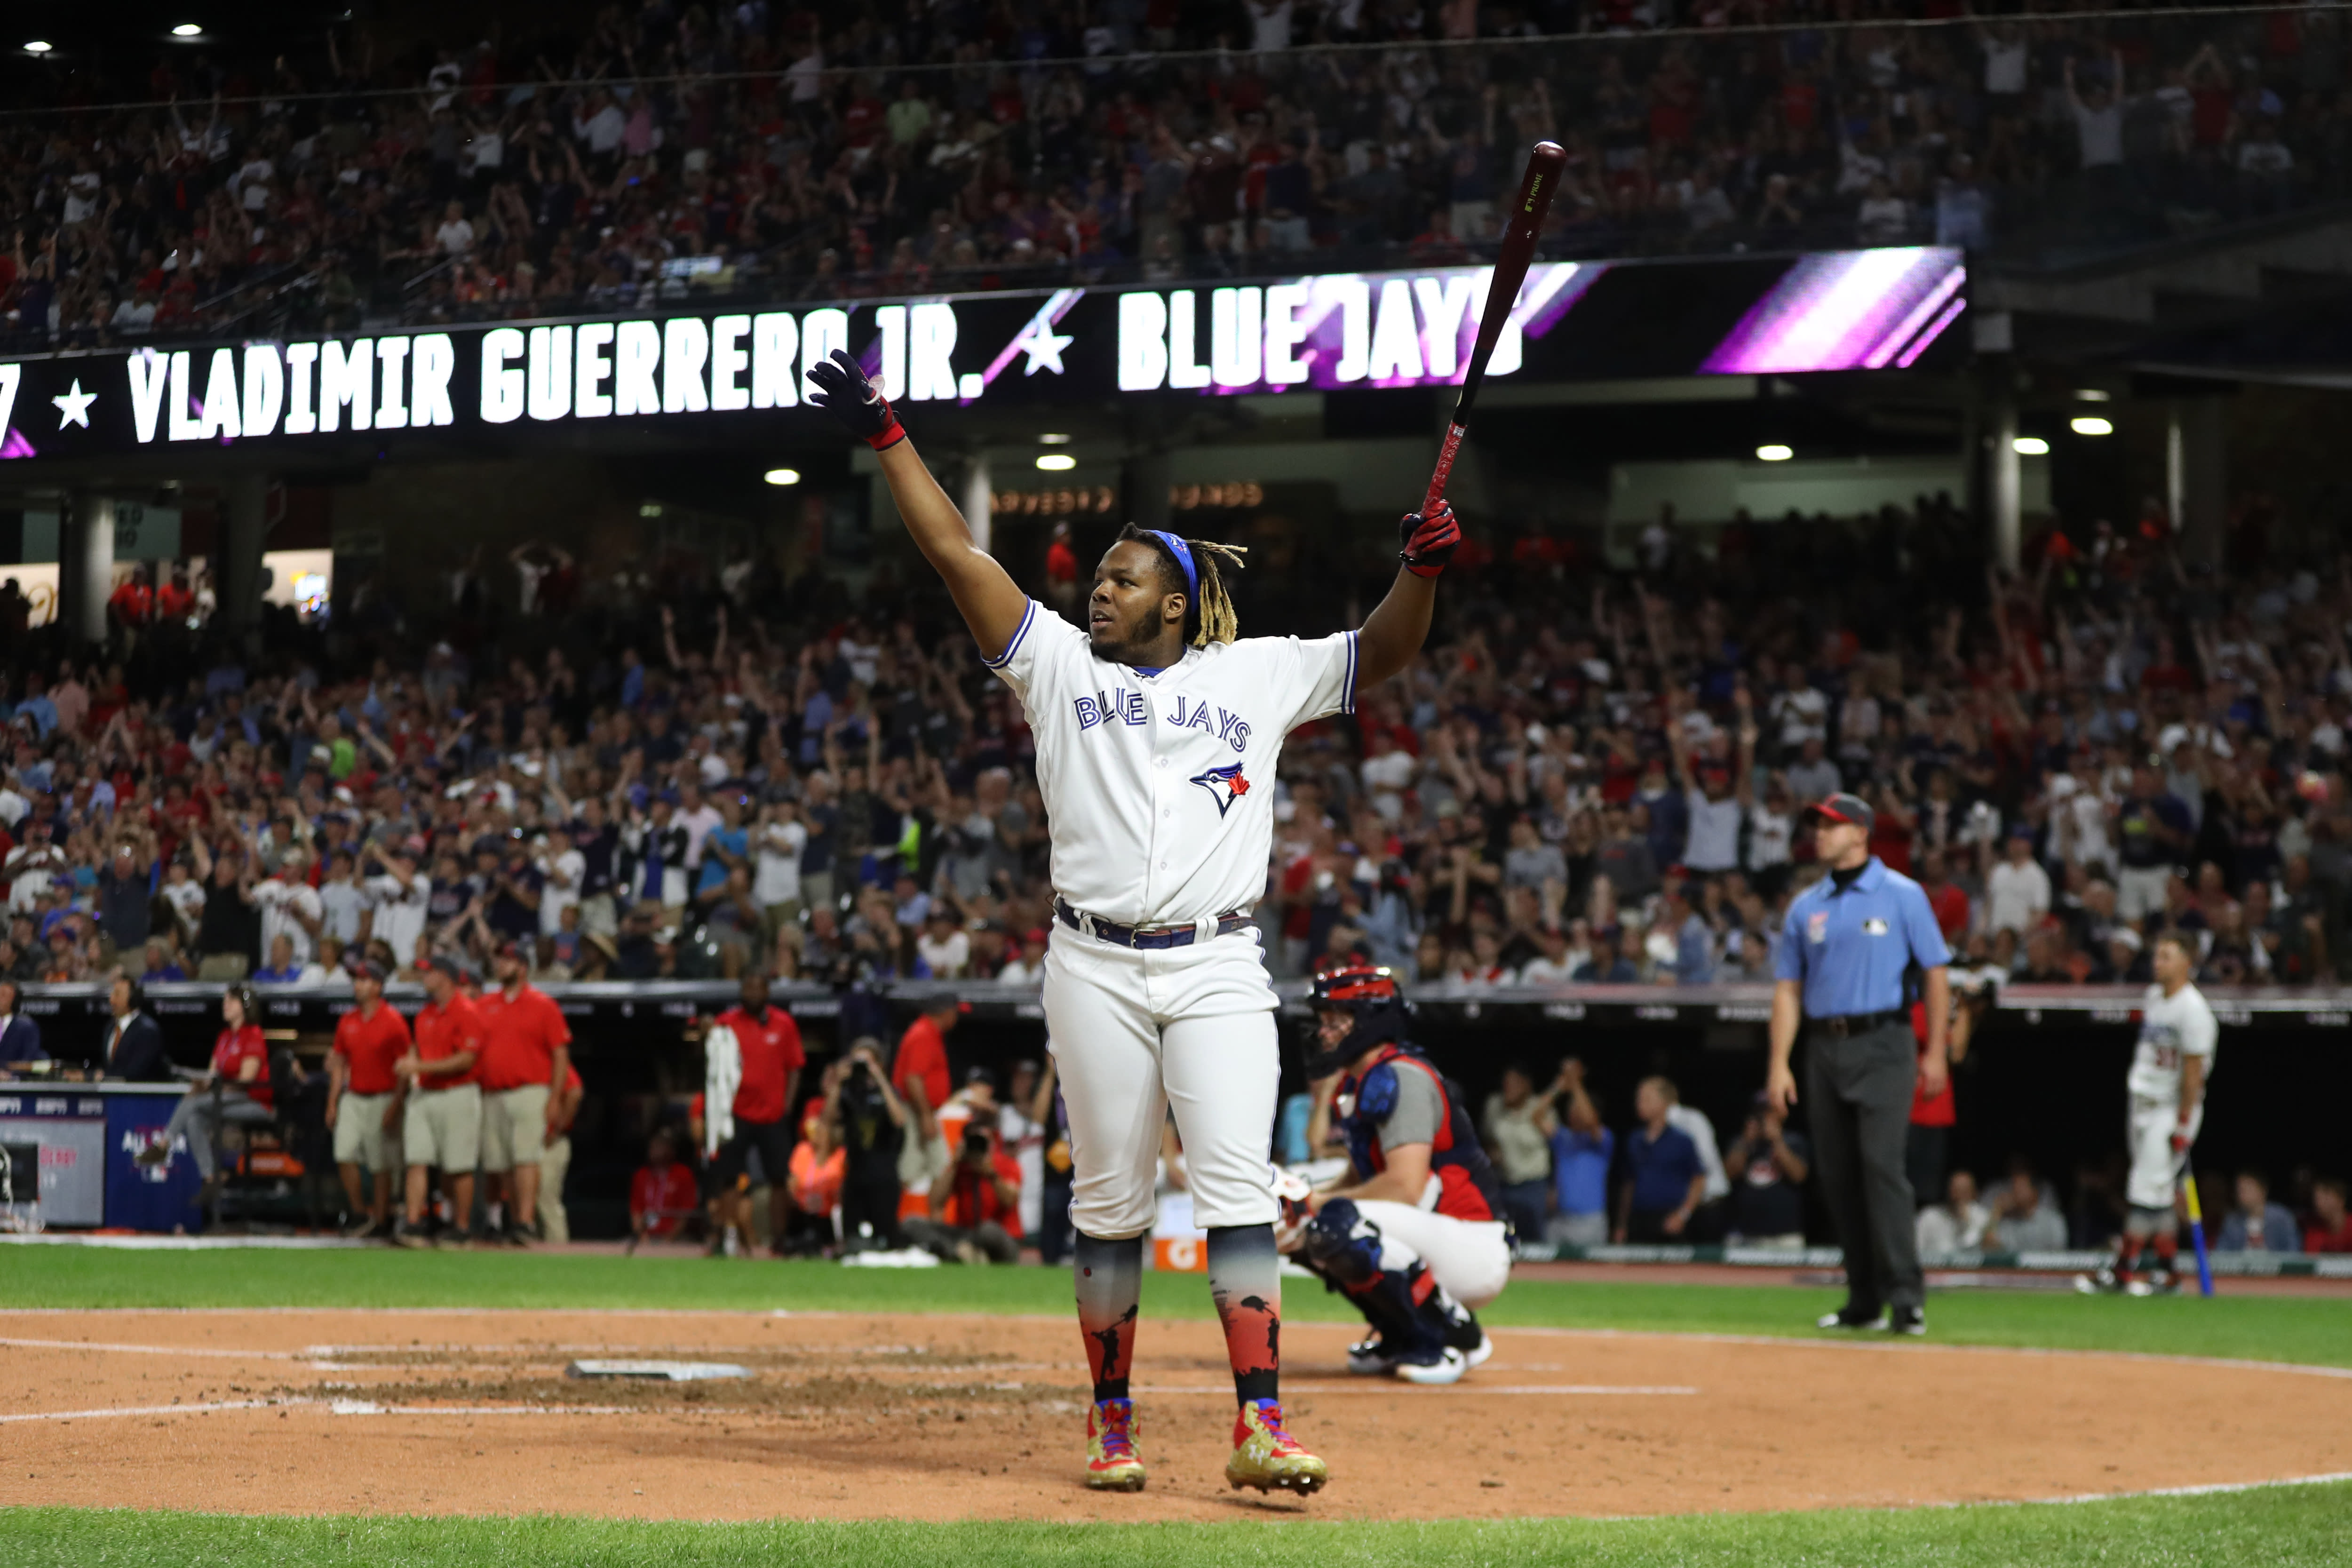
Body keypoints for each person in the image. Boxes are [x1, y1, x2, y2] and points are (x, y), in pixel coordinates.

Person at [810, 339, 1448, 1496]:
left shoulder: (1258, 669)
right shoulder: (1055, 662)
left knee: (1237, 1190)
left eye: (1119, 575)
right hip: (1091, 963)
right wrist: (889, 437)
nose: (1095, 587)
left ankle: (1260, 1424)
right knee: (1107, 1201)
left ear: (1180, 597)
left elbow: (1390, 648)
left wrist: (1424, 571)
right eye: (1095, 575)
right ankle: (1112, 1427)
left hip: (1216, 966)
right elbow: (956, 551)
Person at [1767, 791, 1952, 1336]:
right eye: (1816, 827)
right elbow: (1786, 990)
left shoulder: (1901, 894)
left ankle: (1905, 1296)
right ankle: (1862, 1299)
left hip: (1884, 1041)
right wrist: (1779, 1062)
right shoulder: (1806, 905)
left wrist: (1935, 1050)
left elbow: (1935, 973)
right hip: (1822, 1047)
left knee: (1880, 1167)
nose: (1819, 835)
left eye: (1830, 826)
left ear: (1860, 833)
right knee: (1838, 1177)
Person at [1288, 965, 1504, 1385]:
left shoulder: (1401, 1076)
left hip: (1470, 1240)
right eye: (1323, 1021)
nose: (1324, 1032)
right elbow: (1360, 1176)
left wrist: (1315, 1203)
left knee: (1337, 1223)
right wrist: (1302, 1197)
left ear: (1370, 1022)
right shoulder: (1359, 1082)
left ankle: (1452, 1334)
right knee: (1289, 1224)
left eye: (1336, 1020)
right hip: (1431, 1233)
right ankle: (1400, 1332)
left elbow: (1405, 1186)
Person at [2080, 931, 2216, 1295]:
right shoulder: (2155, 997)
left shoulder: (2194, 1010)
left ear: (2187, 962)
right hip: (2142, 1101)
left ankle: (2123, 1271)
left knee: (2143, 1189)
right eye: (2157, 956)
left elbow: (2192, 1073)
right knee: (2157, 1191)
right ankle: (2169, 1273)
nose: (2158, 963)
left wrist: (2184, 1122)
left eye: (2167, 956)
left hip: (2171, 1109)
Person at [133, 983, 272, 1206]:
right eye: (225, 1000)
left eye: (231, 1001)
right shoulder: (225, 1037)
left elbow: (246, 1080)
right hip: (225, 1099)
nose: (225, 1005)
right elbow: (213, 1074)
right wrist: (200, 1084)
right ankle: (211, 1178)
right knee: (194, 1118)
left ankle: (163, 1146)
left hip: (255, 1101)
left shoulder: (253, 1035)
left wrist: (212, 1088)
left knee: (196, 1105)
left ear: (245, 1006)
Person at [475, 940, 572, 1243]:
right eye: (499, 960)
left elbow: (560, 1054)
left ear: (523, 967)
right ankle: (509, 1221)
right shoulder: (485, 1004)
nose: (501, 965)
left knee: (526, 1159)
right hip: (491, 1093)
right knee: (499, 1162)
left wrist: (555, 1098)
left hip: (530, 1091)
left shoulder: (543, 1004)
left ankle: (525, 1222)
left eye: (508, 960)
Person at [707, 970, 806, 1257]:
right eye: (747, 988)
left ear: (767, 992)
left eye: (758, 988)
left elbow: (795, 1066)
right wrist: (703, 1028)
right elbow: (701, 1037)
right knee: (728, 1178)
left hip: (772, 1115)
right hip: (735, 1113)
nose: (752, 993)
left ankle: (779, 1239)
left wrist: (787, 1104)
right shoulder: (727, 1023)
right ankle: (727, 1238)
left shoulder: (784, 1024)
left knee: (779, 1179)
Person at [396, 957, 486, 1247]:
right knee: (417, 1160)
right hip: (425, 1094)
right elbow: (418, 1049)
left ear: (446, 977)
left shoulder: (467, 1010)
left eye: (429, 972)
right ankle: (412, 1225)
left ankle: (461, 1229)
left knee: (459, 1165)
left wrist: (419, 1068)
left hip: (458, 1092)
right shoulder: (425, 1014)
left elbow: (467, 1058)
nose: (424, 977)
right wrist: (410, 1061)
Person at [326, 960, 410, 1238]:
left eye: (364, 981)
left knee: (380, 1163)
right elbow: (339, 1063)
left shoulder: (394, 1021)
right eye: (356, 980)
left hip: (382, 1096)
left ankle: (382, 1219)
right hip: (354, 1096)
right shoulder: (347, 1020)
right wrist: (332, 1102)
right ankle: (360, 1213)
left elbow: (404, 1071)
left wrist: (396, 1106)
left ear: (378, 986)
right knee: (344, 1153)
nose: (358, 985)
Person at [828, 1036, 910, 1250]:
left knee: (885, 1240)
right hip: (856, 1172)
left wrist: (879, 1078)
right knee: (852, 1240)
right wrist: (838, 1083)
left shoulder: (888, 1091)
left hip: (884, 1174)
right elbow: (828, 1119)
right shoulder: (849, 1093)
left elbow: (899, 1120)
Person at [905, 1121, 1024, 1263]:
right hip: (966, 1235)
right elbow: (935, 1202)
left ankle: (971, 1255)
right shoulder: (961, 1167)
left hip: (1000, 1236)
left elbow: (1010, 1200)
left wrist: (991, 1174)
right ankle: (957, 1254)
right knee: (911, 1223)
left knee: (988, 1230)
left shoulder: (1006, 1164)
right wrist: (955, 1165)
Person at [1616, 1075, 1706, 1243]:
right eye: (1639, 1098)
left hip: (1669, 1220)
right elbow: (1629, 1184)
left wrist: (1683, 1215)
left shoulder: (1682, 1141)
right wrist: (1622, 1224)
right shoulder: (1634, 1140)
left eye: (1647, 1099)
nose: (1640, 1103)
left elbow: (1699, 1180)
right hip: (1639, 1219)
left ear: (1665, 1103)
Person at [890, 996, 960, 1203]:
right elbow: (913, 1079)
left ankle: (929, 1224)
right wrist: (925, 1116)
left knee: (930, 1168)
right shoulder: (922, 1034)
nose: (957, 1017)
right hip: (915, 1112)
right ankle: (901, 1221)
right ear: (945, 1012)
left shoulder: (929, 1032)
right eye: (955, 1012)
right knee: (925, 1169)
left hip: (921, 1112)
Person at [1722, 1092, 1812, 1247]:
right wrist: (1746, 1142)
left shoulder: (1793, 1141)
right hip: (1744, 1235)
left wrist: (1777, 1141)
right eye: (1759, 1114)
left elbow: (1799, 1176)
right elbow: (1726, 1176)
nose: (1763, 1119)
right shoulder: (1740, 1142)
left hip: (1784, 1236)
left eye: (1769, 1113)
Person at [1481, 1062, 1553, 1244]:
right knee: (1500, 1238)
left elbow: (1557, 1149)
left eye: (1514, 1084)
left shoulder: (1541, 1107)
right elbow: (1487, 1140)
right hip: (1503, 1185)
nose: (1508, 1088)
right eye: (1506, 1084)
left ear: (1526, 1085)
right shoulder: (1494, 1105)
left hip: (1534, 1186)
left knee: (1537, 1242)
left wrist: (1554, 1186)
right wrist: (1493, 1153)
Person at [1543, 1058, 1612, 1248]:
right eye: (1571, 1108)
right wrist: (1559, 1086)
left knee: (1591, 1275)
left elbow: (1590, 1120)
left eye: (1578, 1108)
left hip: (1590, 1222)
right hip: (1560, 1219)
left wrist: (1576, 1084)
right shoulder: (1563, 1137)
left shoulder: (1602, 1138)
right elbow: (1536, 1116)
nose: (1574, 1113)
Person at [630, 1130, 702, 1244]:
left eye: (661, 1145)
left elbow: (685, 1214)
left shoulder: (683, 1174)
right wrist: (643, 1237)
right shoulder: (641, 1175)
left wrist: (668, 1239)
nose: (655, 1149)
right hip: (646, 1238)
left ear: (672, 1149)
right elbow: (636, 1212)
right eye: (653, 1146)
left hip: (676, 1238)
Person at [540, 1061, 583, 1244]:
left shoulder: (553, 1063)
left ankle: (558, 1248)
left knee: (546, 1198)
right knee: (528, 1204)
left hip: (551, 1144)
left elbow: (575, 1092)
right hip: (530, 1142)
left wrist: (557, 1129)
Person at [100, 974, 168, 1080]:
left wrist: (102, 1077)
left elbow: (135, 1073)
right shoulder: (110, 1028)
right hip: (112, 1095)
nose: (111, 1000)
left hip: (141, 1095)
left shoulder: (147, 1031)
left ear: (132, 999)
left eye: (117, 995)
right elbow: (110, 1067)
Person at [2217, 1171, 2302, 1253]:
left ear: (2263, 1191)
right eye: (2240, 1190)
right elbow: (2221, 1252)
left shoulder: (2282, 1217)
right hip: (2242, 1268)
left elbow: (2293, 1250)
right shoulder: (2232, 1221)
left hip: (2273, 1266)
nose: (2242, 1194)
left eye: (2248, 1189)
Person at [1915, 1169, 1991, 1257]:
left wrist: (1967, 1223)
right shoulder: (1929, 1216)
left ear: (1974, 1194)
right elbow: (1916, 1250)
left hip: (1970, 1270)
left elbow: (1985, 1251)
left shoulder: (1983, 1217)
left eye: (1964, 1191)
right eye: (1956, 1190)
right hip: (1934, 1269)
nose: (1958, 1196)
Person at [0, 979, 45, 1072]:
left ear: (14, 999)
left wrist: (11, 1076)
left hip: (13, 1083)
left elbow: (28, 1060)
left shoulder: (27, 1027)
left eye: (3, 995)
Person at [2304, 1177, 2352, 1253]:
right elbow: (2312, 1258)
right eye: (2316, 1197)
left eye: (2326, 1195)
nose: (2318, 1201)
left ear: (2341, 1199)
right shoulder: (2314, 1230)